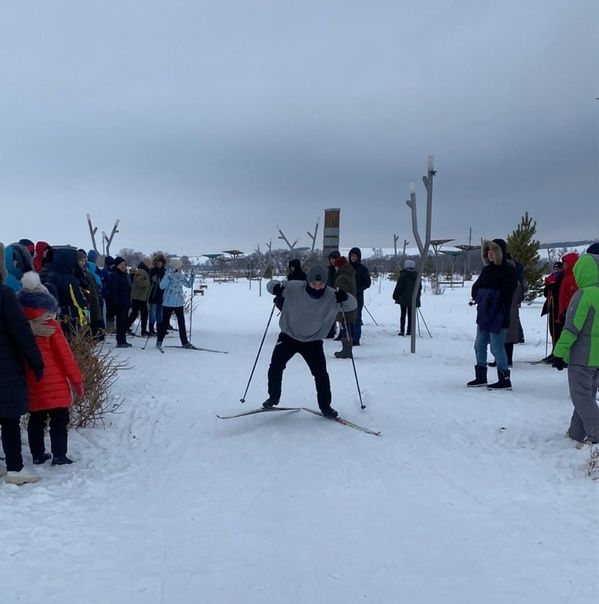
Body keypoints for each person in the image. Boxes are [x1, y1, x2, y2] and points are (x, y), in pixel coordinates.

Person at [263, 265, 357, 418]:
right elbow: (270, 284)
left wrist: (344, 297)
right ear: (308, 281)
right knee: (275, 367)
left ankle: (326, 407)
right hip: (289, 337)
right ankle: (273, 397)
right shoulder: (294, 287)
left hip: (313, 341)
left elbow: (352, 304)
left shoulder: (332, 295)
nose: (318, 287)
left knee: (320, 375)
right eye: (314, 283)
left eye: (321, 284)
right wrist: (276, 288)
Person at [17, 272, 83, 465]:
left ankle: (37, 454)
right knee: (59, 420)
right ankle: (59, 455)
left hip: (32, 380)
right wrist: (77, 382)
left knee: (36, 419)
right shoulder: (50, 323)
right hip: (55, 382)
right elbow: (65, 356)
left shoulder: (20, 323)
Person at [0, 244, 45, 484]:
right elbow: (21, 332)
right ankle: (15, 468)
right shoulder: (4, 294)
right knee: (9, 420)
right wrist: (36, 362)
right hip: (5, 367)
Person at [552, 245, 599, 445]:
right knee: (587, 395)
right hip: (597, 358)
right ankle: (576, 432)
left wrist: (559, 353)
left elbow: (571, 328)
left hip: (582, 356)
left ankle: (596, 432)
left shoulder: (583, 295)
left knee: (581, 397)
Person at [467, 239, 517, 390]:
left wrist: (488, 296)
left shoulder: (509, 270)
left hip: (499, 315)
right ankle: (480, 376)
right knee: (479, 345)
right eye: (488, 251)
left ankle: (504, 379)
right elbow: (476, 287)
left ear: (500, 252)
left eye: (493, 251)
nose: (490, 254)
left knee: (496, 347)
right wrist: (482, 295)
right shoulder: (486, 270)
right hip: (484, 314)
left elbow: (506, 293)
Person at [155, 258, 194, 350]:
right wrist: (168, 276)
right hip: (168, 303)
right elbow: (161, 286)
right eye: (180, 265)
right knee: (164, 323)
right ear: (176, 266)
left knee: (181, 323)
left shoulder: (181, 275)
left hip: (179, 303)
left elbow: (189, 285)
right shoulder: (168, 274)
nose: (182, 267)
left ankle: (185, 342)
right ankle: (159, 341)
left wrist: (192, 276)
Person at [332, 256, 357, 359]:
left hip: (344, 308)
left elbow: (341, 293)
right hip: (351, 306)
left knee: (345, 328)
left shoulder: (341, 277)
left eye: (336, 266)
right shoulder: (350, 274)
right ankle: (347, 349)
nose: (335, 268)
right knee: (348, 327)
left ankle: (346, 351)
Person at [105, 256, 132, 348]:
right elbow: (112, 290)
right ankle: (120, 341)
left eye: (124, 264)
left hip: (125, 301)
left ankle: (123, 340)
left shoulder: (124, 274)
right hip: (119, 303)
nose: (123, 266)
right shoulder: (114, 275)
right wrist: (116, 301)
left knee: (124, 323)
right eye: (121, 264)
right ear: (117, 265)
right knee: (121, 323)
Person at [541, 261, 564, 362]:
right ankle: (554, 351)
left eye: (558, 269)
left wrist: (553, 285)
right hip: (552, 307)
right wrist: (547, 286)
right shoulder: (552, 278)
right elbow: (546, 294)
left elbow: (559, 293)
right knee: (552, 330)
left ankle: (558, 353)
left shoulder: (562, 278)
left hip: (558, 308)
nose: (556, 270)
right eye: (554, 269)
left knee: (558, 331)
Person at [348, 247, 371, 346]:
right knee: (349, 318)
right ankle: (349, 337)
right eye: (352, 256)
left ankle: (356, 339)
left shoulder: (363, 269)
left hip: (358, 297)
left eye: (355, 256)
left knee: (357, 318)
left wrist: (357, 290)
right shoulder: (347, 268)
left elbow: (367, 283)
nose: (353, 258)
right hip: (347, 297)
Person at [392, 259, 421, 336]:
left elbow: (399, 286)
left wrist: (395, 296)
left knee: (403, 315)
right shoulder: (417, 275)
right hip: (413, 299)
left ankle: (402, 331)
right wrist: (418, 297)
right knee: (411, 316)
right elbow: (419, 287)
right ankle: (409, 331)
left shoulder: (403, 275)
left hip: (403, 298)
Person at [127, 257, 152, 336]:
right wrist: (149, 281)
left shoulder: (144, 271)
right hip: (138, 297)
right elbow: (140, 283)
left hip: (140, 297)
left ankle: (142, 329)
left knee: (143, 313)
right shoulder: (141, 271)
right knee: (137, 313)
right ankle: (127, 327)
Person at [148, 252, 167, 336]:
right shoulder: (152, 271)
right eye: (158, 262)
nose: (159, 263)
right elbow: (149, 282)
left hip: (162, 296)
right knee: (152, 314)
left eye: (161, 262)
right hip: (153, 296)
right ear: (155, 263)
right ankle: (151, 329)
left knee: (160, 314)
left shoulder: (165, 272)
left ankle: (160, 329)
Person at [326, 250, 341, 339]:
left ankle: (342, 333)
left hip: (339, 294)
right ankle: (330, 331)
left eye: (334, 259)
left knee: (340, 315)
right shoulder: (328, 270)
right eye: (331, 259)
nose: (332, 261)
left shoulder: (341, 269)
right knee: (329, 314)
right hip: (329, 294)